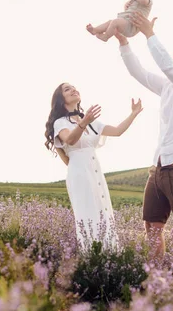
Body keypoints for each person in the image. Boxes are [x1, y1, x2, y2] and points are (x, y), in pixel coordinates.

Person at [114, 12, 173, 260]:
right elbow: (140, 73)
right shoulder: (168, 87)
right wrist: (124, 44)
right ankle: (157, 281)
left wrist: (149, 34)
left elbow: (167, 66)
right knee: (152, 228)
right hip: (157, 171)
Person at [45, 82, 143, 249]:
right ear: (61, 100)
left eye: (74, 87)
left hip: (95, 171)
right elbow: (70, 140)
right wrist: (83, 123)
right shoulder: (61, 122)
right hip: (79, 173)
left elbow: (117, 131)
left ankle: (110, 255)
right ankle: (91, 257)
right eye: (67, 89)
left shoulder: (89, 121)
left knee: (104, 211)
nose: (73, 89)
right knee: (88, 215)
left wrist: (133, 114)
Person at [86, 0, 153, 42]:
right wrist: (126, 6)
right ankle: (95, 30)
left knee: (115, 22)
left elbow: (143, 0)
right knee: (110, 22)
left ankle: (105, 37)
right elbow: (127, 11)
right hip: (126, 21)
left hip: (132, 26)